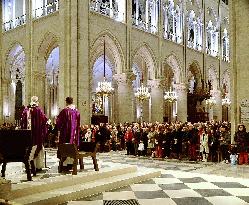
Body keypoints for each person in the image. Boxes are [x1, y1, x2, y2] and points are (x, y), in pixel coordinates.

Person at [20, 96, 47, 171]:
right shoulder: (39, 111)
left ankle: (28, 166)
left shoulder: (26, 111)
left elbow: (22, 123)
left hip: (27, 136)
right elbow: (44, 121)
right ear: (37, 101)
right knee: (36, 148)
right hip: (37, 135)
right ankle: (37, 166)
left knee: (28, 149)